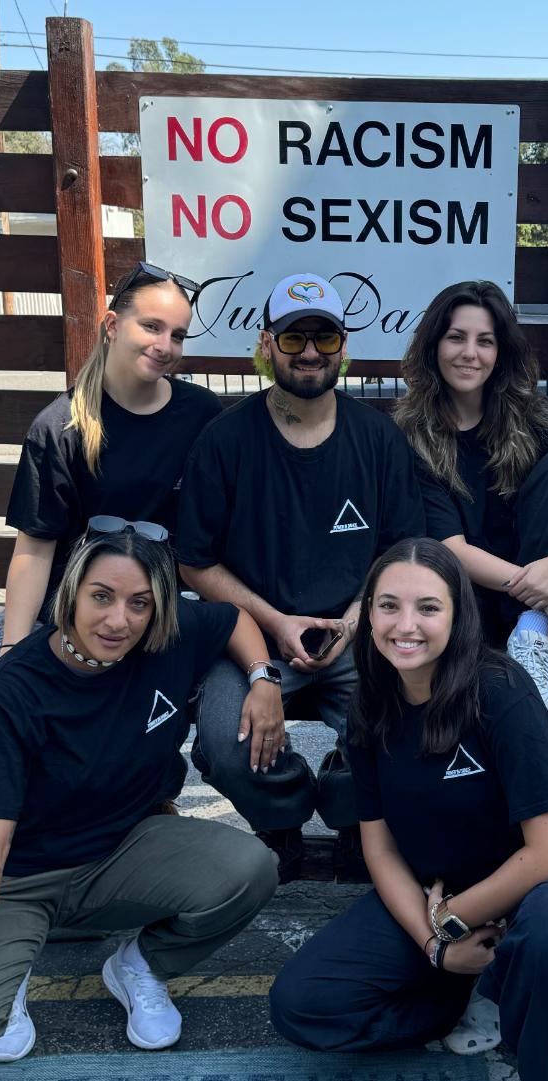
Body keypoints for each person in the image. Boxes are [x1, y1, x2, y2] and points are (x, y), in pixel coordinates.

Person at [269, 537, 548, 1081]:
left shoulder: (499, 690)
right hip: (451, 901)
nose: (405, 625)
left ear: (458, 614)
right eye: (388, 606)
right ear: (367, 615)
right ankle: (479, 986)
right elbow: (379, 846)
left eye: (427, 608)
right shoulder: (372, 702)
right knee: (303, 1003)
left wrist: (452, 918)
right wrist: (437, 948)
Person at [0, 523, 279, 1073]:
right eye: (101, 597)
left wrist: (263, 678)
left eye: (139, 603)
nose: (118, 621)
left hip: (117, 854)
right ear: (70, 594)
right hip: (15, 879)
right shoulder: (11, 690)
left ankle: (139, 966)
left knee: (250, 867)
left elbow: (232, 618)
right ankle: (7, 967)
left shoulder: (168, 636)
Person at [0, 260, 224, 810]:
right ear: (112, 325)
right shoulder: (63, 425)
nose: (165, 345)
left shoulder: (200, 413)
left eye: (178, 335)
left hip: (159, 603)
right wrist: (13, 650)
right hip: (72, 605)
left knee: (154, 678)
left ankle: (146, 805)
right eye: (151, 326)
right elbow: (34, 548)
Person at [177, 272, 425, 880]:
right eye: (293, 338)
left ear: (344, 347)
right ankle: (282, 820)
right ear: (266, 345)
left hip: (359, 634)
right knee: (226, 742)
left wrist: (356, 619)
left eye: (324, 337)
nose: (310, 352)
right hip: (253, 638)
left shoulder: (378, 438)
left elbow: (402, 550)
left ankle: (351, 815)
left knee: (407, 728)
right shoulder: (225, 440)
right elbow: (194, 560)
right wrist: (273, 624)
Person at [395, 280, 548, 712]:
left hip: (542, 603)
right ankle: (532, 619)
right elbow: (452, 549)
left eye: (485, 341)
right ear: (434, 345)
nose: (470, 353)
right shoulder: (414, 434)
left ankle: (531, 630)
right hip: (471, 597)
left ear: (500, 352)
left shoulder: (532, 411)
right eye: (456, 337)